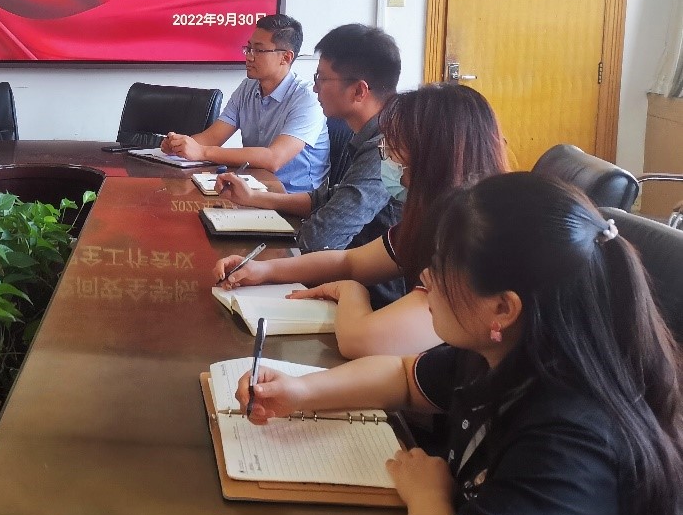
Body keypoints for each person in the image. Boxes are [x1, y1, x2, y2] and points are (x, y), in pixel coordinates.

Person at [234, 173, 683, 515]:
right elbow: (402, 376)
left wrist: (429, 495)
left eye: (442, 268)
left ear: (503, 308)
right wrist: (300, 391)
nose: (425, 277)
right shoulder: (508, 352)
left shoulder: (576, 437)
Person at [214, 84, 508, 358]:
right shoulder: (433, 220)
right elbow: (350, 262)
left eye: (393, 150)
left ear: (432, 159)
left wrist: (350, 290)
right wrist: (262, 269)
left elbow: (361, 341)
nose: (387, 160)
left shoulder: (471, 242)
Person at [216, 23, 402, 253]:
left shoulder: (387, 148)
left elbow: (321, 239)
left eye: (322, 79)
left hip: (371, 273)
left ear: (359, 91)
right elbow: (329, 199)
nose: (315, 88)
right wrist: (253, 197)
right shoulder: (378, 132)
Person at [161, 14, 329, 194]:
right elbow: (213, 137)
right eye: (248, 49)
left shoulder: (307, 98)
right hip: (254, 190)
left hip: (296, 198)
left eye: (258, 50)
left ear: (286, 57)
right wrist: (179, 145)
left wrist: (202, 152)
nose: (249, 57)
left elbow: (274, 158)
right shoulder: (247, 87)